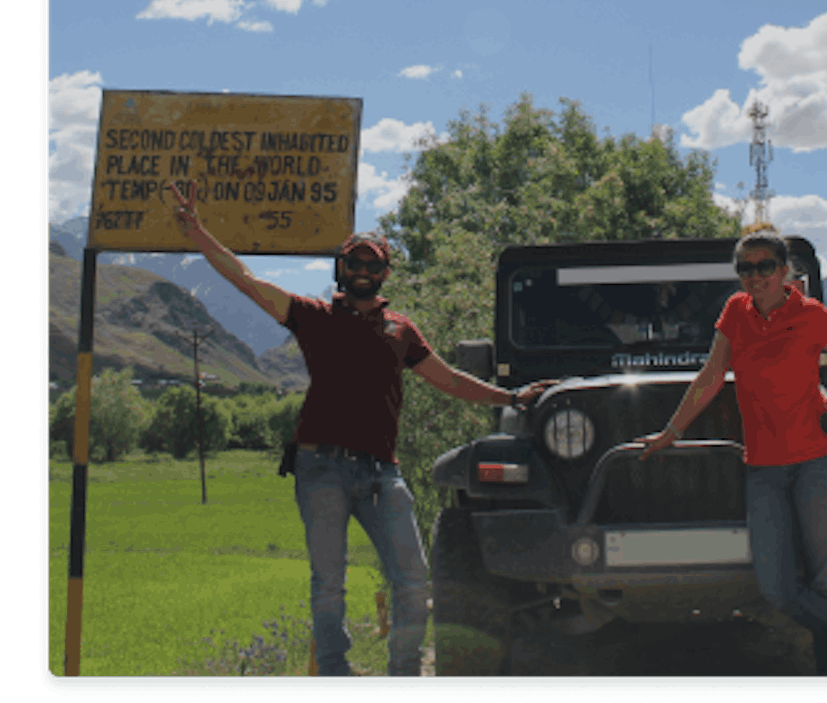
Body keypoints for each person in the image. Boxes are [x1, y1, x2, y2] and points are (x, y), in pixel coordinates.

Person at [167, 184, 551, 677]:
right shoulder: (312, 316)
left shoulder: (400, 330)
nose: (365, 272)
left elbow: (450, 380)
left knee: (412, 581)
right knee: (328, 582)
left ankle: (404, 676)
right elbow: (246, 280)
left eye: (374, 265)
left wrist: (512, 397)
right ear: (341, 269)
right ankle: (335, 676)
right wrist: (197, 232)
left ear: (385, 273)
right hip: (319, 468)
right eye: (356, 263)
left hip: (381, 475)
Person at [636, 229, 827, 677]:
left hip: (820, 460)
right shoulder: (736, 313)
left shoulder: (811, 315)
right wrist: (672, 431)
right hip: (763, 469)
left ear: (784, 272)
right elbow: (711, 377)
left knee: (825, 580)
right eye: (745, 268)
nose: (754, 277)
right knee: (777, 587)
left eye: (763, 267)